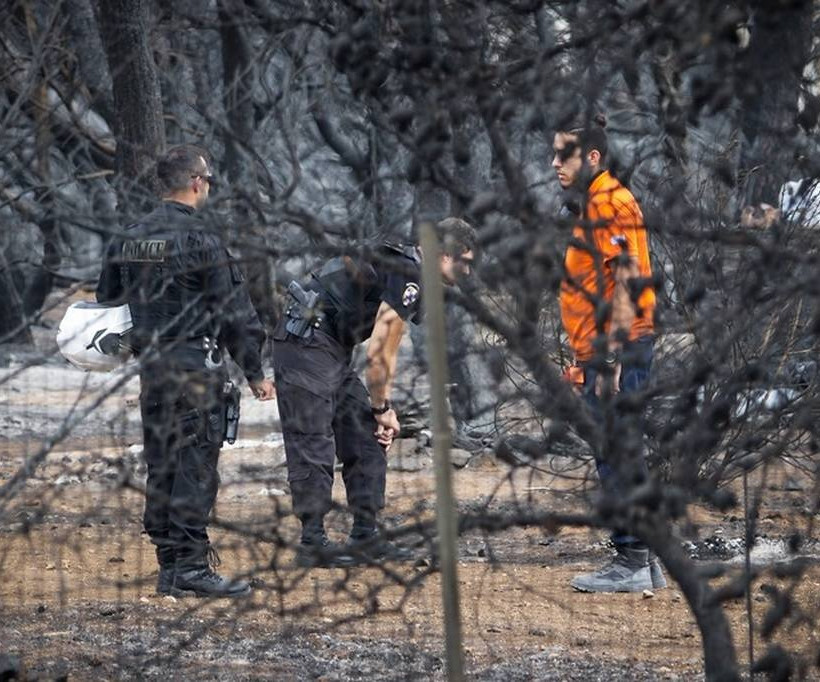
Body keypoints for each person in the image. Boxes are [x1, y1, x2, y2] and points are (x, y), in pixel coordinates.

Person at [97, 145, 275, 597]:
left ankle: (169, 565)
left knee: (162, 462)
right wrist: (254, 371)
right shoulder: (203, 239)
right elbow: (235, 312)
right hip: (196, 366)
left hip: (153, 368)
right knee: (196, 464)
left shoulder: (129, 236)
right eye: (208, 180)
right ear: (197, 182)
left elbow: (106, 297)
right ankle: (191, 568)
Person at [273, 218, 477, 568]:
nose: (469, 273)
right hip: (306, 344)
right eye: (467, 262)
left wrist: (378, 411)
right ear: (444, 255)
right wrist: (383, 406)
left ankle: (365, 535)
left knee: (366, 432)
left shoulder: (408, 270)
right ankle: (313, 542)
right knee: (313, 439)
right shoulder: (410, 273)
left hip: (330, 347)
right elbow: (380, 352)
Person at [552, 114, 666, 592]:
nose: (554, 163)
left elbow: (625, 273)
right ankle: (645, 558)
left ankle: (632, 559)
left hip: (618, 349)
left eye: (564, 154)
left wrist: (613, 353)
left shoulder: (610, 202)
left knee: (615, 448)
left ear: (592, 157)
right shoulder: (594, 203)